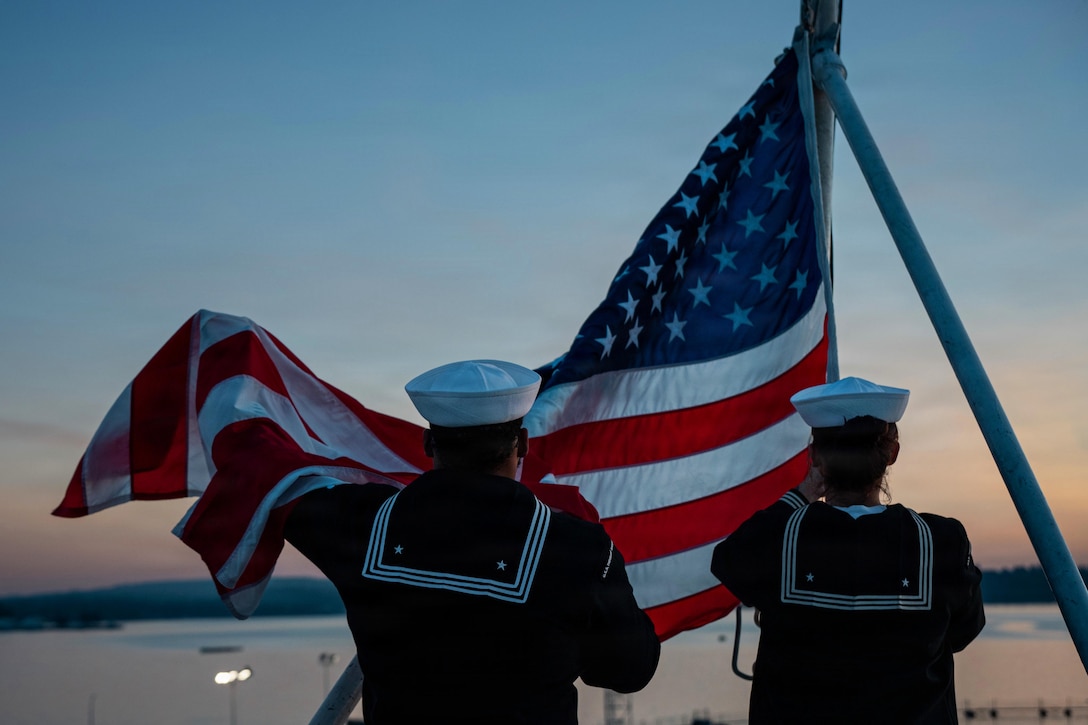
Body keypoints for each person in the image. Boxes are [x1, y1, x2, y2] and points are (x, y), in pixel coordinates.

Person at [284, 359, 660, 724]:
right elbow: (629, 670)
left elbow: (276, 483)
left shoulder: (357, 522)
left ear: (429, 442)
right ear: (524, 443)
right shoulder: (578, 546)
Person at [711, 376, 985, 724]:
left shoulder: (780, 538)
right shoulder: (941, 541)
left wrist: (800, 495)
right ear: (892, 454)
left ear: (814, 458)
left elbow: (729, 560)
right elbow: (965, 630)